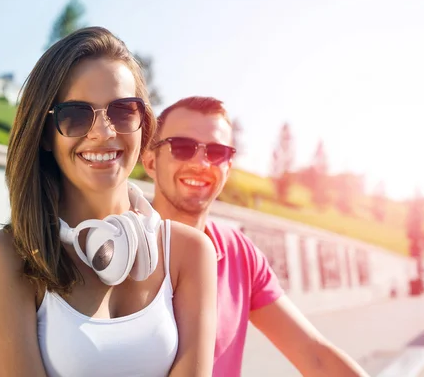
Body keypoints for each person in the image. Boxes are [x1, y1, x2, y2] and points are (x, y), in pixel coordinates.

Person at [0, 28, 217, 377]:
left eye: (122, 110)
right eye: (74, 114)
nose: (103, 132)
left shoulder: (190, 253)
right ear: (44, 134)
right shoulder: (4, 258)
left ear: (143, 125)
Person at [142, 96, 370, 377]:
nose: (201, 163)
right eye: (183, 147)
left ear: (228, 166)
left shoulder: (240, 252)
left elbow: (314, 355)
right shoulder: (120, 248)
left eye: (217, 152)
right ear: (150, 162)